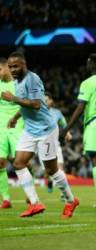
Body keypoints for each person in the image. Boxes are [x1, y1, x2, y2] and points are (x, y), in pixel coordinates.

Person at [1, 51, 79, 218]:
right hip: (30, 129)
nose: (13, 69)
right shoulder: (17, 81)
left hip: (45, 130)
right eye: (10, 67)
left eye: (16, 66)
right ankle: (35, 204)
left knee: (51, 170)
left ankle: (71, 200)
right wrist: (15, 117)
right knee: (18, 163)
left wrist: (12, 99)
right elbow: (24, 104)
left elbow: (36, 104)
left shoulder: (32, 79)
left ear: (24, 65)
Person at [61, 53, 96, 208]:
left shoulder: (87, 83)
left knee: (95, 159)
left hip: (94, 123)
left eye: (88, 62)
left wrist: (66, 128)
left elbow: (81, 107)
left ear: (92, 63)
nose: (87, 65)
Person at [0, 57, 23, 209]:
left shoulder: (19, 84)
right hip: (1, 127)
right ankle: (6, 199)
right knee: (0, 162)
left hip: (17, 126)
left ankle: (30, 196)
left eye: (0, 69)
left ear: (7, 67)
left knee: (20, 161)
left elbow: (26, 104)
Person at [41, 92, 72, 193]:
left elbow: (64, 124)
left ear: (51, 101)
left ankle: (64, 193)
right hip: (42, 145)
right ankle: (49, 181)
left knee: (60, 168)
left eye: (46, 100)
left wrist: (67, 133)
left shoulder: (57, 113)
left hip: (55, 144)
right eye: (43, 101)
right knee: (47, 171)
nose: (44, 103)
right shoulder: (38, 112)